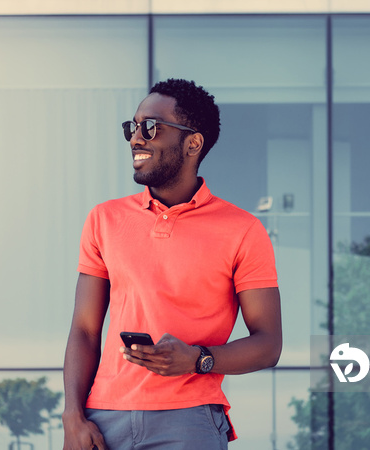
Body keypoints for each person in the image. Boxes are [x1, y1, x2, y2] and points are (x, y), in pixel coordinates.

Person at [62, 78, 282, 450]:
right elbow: (84, 330)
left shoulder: (243, 230)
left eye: (151, 127)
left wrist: (198, 360)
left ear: (193, 143)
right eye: (132, 127)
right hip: (101, 420)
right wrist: (72, 415)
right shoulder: (104, 219)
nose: (136, 138)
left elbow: (268, 344)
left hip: (188, 422)